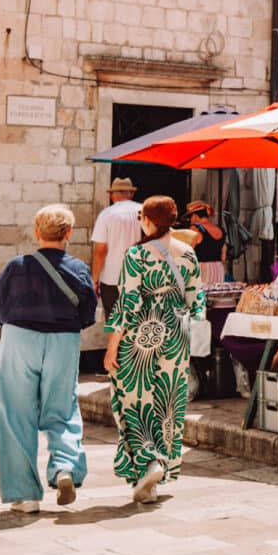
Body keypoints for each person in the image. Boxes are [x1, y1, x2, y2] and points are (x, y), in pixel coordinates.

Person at [0, 204, 99, 513]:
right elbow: (88, 313)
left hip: (20, 339)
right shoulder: (77, 268)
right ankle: (64, 467)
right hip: (64, 340)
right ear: (68, 233)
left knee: (14, 413)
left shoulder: (16, 266)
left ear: (37, 232)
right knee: (62, 408)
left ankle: (25, 496)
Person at [104, 195, 205, 505]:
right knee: (167, 404)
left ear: (148, 220)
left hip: (143, 335)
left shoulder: (136, 255)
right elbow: (197, 302)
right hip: (177, 333)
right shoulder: (188, 254)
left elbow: (127, 304)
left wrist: (111, 346)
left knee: (130, 398)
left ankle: (149, 463)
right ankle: (155, 474)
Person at [90, 177, 142, 343]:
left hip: (112, 278)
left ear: (113, 195)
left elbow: (100, 251)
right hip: (140, 276)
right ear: (131, 194)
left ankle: (115, 362)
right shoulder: (144, 211)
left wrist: (95, 279)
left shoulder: (107, 214)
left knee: (115, 323)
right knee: (139, 322)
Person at [185, 201, 226, 285]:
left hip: (203, 268)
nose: (190, 220)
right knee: (216, 296)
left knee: (201, 296)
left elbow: (188, 252)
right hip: (218, 268)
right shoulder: (220, 229)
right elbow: (223, 256)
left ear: (195, 216)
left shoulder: (195, 228)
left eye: (190, 217)